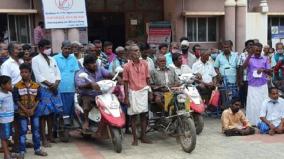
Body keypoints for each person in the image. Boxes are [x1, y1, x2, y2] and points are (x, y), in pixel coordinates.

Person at [32, 39, 63, 147]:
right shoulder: (35, 60)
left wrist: (56, 83)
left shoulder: (52, 59)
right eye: (46, 47)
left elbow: (57, 73)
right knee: (43, 115)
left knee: (52, 114)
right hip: (43, 89)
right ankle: (43, 139)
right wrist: (50, 85)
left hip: (54, 89)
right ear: (40, 48)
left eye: (49, 47)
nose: (48, 49)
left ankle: (50, 136)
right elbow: (38, 76)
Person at [13, 64, 47, 158]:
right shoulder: (17, 86)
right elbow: (16, 100)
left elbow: (38, 99)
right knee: (23, 131)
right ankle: (22, 151)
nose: (23, 74)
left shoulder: (36, 86)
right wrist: (25, 110)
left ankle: (37, 149)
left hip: (34, 111)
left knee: (36, 130)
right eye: (22, 72)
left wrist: (32, 109)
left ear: (30, 73)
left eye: (26, 72)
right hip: (22, 112)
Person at [123, 44, 152, 146]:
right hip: (133, 93)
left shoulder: (145, 63)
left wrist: (150, 92)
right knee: (133, 117)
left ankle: (143, 137)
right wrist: (126, 97)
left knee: (144, 115)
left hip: (143, 91)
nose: (138, 52)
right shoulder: (126, 66)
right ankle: (135, 139)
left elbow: (148, 79)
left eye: (138, 50)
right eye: (135, 51)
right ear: (130, 53)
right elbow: (125, 82)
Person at [75, 55, 112, 133]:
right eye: (92, 63)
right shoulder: (81, 73)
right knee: (86, 101)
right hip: (87, 95)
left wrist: (117, 77)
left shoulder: (99, 69)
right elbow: (79, 85)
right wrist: (90, 85)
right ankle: (86, 121)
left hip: (100, 95)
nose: (94, 64)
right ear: (86, 65)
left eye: (95, 62)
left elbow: (108, 74)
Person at [242, 43, 270, 126]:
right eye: (256, 50)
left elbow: (269, 71)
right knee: (252, 104)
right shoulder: (249, 58)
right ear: (253, 50)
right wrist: (250, 55)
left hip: (262, 84)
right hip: (252, 84)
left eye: (259, 50)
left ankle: (263, 121)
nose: (258, 52)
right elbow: (243, 67)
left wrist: (263, 70)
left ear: (261, 50)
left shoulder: (265, 58)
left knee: (263, 102)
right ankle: (253, 122)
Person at [54, 40, 79, 122]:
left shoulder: (73, 58)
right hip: (59, 88)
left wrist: (77, 85)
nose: (67, 50)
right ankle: (59, 127)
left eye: (69, 49)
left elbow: (76, 73)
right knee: (60, 109)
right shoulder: (55, 58)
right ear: (61, 48)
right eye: (65, 48)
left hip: (71, 88)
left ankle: (69, 128)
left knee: (70, 109)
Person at [0, 75, 16, 159]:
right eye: (9, 84)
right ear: (2, 85)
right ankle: (6, 154)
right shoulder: (1, 95)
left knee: (7, 136)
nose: (11, 85)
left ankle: (8, 153)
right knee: (4, 137)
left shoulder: (10, 93)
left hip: (10, 119)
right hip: (3, 120)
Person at [237, 40, 254, 107]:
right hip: (245, 78)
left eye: (252, 44)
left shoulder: (256, 54)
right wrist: (240, 80)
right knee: (246, 94)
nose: (251, 46)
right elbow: (240, 67)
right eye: (250, 44)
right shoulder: (242, 55)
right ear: (246, 46)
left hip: (254, 78)